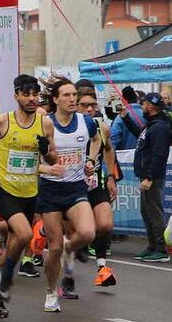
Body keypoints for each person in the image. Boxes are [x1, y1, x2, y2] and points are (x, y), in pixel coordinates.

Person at [0, 74, 57, 318]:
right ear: (17, 96)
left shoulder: (45, 124)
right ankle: (5, 282)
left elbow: (52, 158)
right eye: (26, 94)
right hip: (6, 189)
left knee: (15, 244)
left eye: (35, 94)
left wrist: (46, 151)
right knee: (24, 234)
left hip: (30, 191)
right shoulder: (3, 121)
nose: (32, 98)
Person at [38, 77, 98, 312]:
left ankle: (69, 247)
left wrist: (91, 160)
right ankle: (51, 291)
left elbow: (96, 139)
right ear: (55, 100)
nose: (72, 99)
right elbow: (35, 161)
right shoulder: (45, 124)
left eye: (74, 95)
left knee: (87, 233)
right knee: (53, 248)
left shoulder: (86, 121)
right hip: (50, 189)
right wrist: (47, 168)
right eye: (66, 95)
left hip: (75, 188)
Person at [76, 92, 119, 286]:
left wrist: (111, 176)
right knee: (67, 232)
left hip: (95, 186)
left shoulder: (102, 129)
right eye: (84, 105)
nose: (90, 109)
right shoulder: (66, 129)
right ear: (74, 106)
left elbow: (109, 149)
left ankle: (102, 268)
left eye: (93, 105)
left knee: (105, 225)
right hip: (71, 189)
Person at [133, 92, 171, 262]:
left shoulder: (159, 127)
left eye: (144, 104)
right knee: (146, 211)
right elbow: (141, 140)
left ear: (150, 106)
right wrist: (126, 118)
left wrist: (149, 177)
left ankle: (161, 249)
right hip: (146, 175)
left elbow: (159, 154)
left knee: (154, 212)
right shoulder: (152, 125)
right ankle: (152, 246)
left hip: (152, 177)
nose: (142, 106)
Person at [110, 86, 145, 150]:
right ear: (137, 99)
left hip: (125, 155)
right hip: (145, 154)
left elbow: (114, 138)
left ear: (123, 100)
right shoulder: (146, 114)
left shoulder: (120, 117)